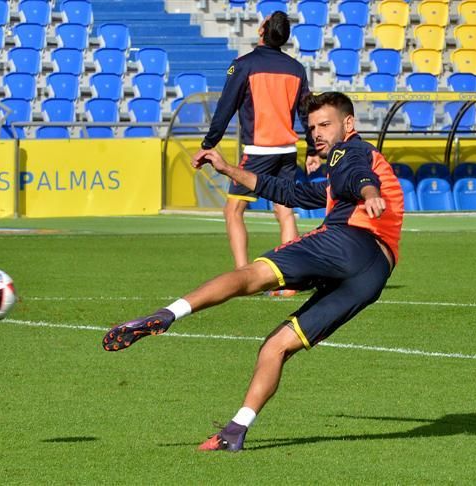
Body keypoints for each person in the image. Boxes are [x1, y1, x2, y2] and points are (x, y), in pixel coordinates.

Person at [102, 92, 405, 452]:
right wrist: (229, 169)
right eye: (311, 128)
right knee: (277, 346)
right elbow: (288, 191)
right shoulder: (339, 179)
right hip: (373, 275)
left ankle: (166, 314)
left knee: (251, 275)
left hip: (348, 242)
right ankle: (235, 431)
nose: (317, 134)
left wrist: (369, 191)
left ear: (349, 124)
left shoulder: (349, 151)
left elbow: (358, 175)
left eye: (325, 125)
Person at [191, 12, 320, 283]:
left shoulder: (243, 65)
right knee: (284, 211)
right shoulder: (296, 68)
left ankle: (243, 276)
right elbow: (306, 112)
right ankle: (290, 281)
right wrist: (312, 149)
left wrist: (208, 145)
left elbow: (225, 108)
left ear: (262, 30)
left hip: (259, 151)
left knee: (233, 210)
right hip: (286, 150)